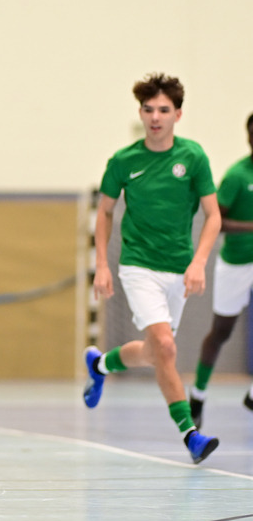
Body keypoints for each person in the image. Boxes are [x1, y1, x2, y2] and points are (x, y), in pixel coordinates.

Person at [84, 73, 222, 464]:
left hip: (179, 270)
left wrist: (198, 262)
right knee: (165, 347)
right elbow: (105, 212)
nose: (155, 117)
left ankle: (100, 363)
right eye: (148, 110)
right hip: (138, 266)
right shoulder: (124, 161)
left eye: (164, 110)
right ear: (141, 114)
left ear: (178, 114)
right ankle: (190, 435)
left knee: (152, 352)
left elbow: (212, 216)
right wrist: (102, 266)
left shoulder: (193, 157)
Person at [188, 112, 253, 427]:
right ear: (248, 137)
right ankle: (198, 396)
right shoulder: (237, 176)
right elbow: (219, 220)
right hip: (237, 262)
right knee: (221, 331)